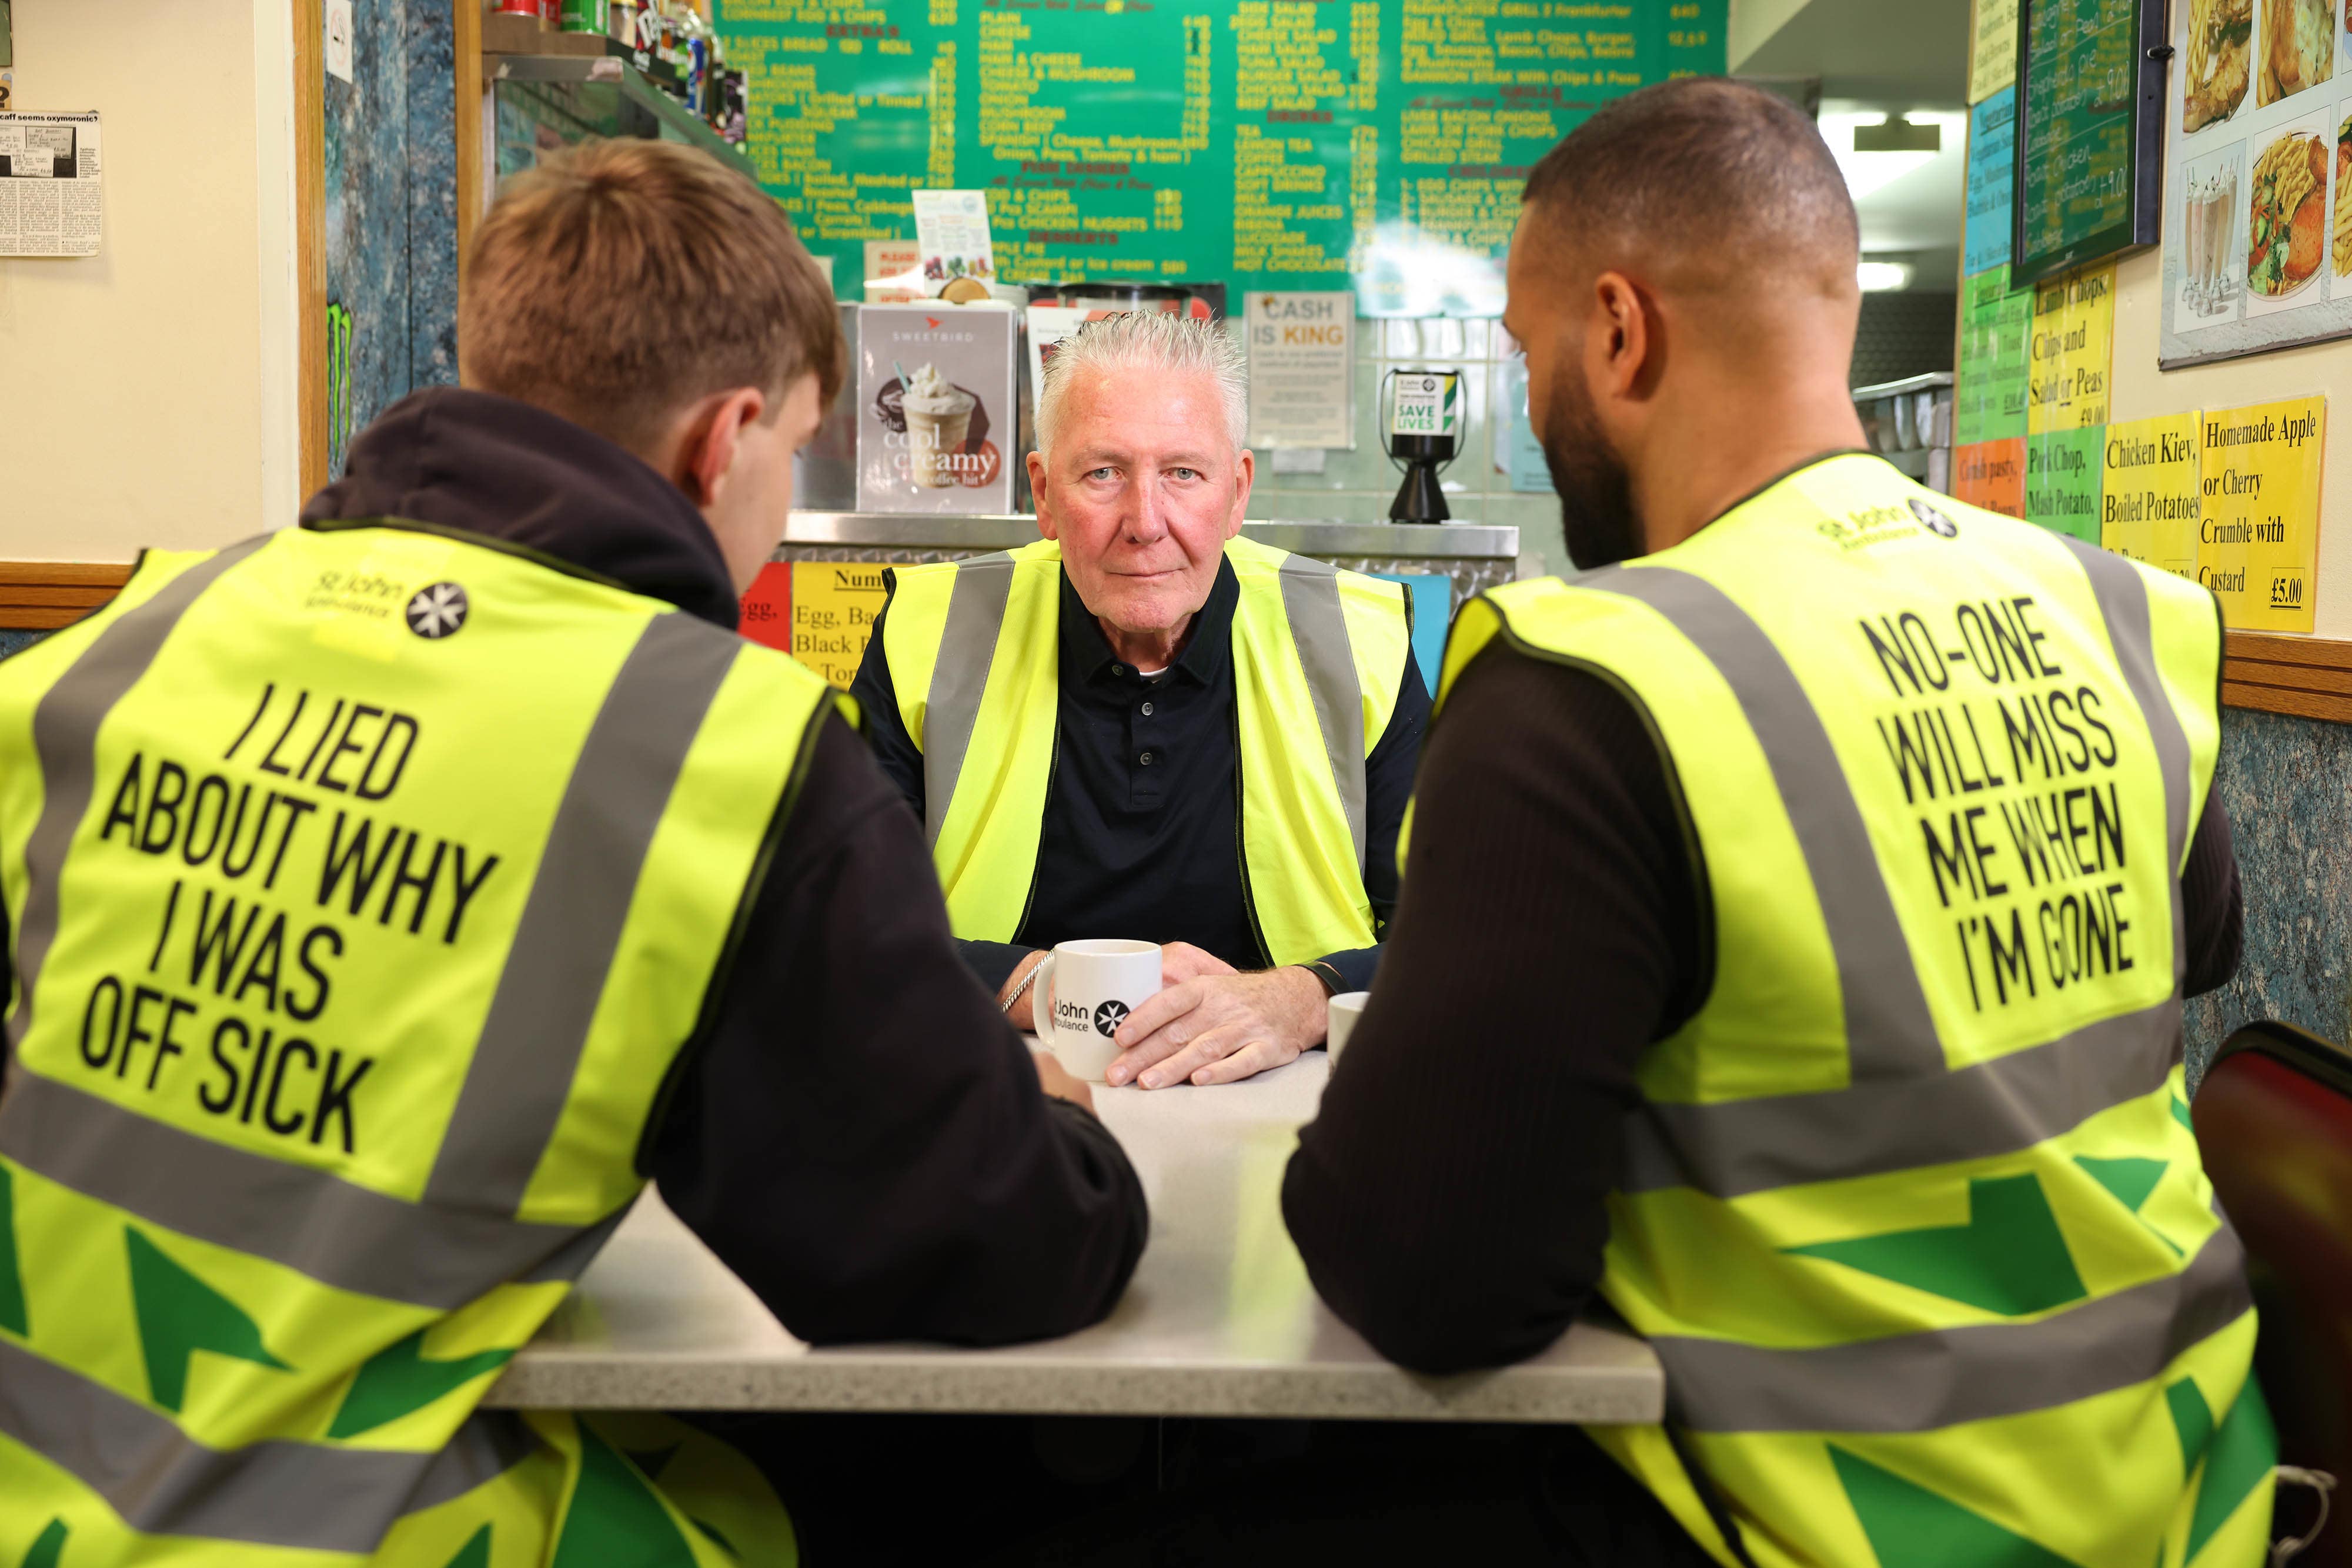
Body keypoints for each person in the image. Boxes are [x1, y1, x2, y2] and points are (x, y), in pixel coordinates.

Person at [0, 139, 1144, 1566]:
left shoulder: (127, 642)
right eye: (791, 446)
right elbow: (991, 1245)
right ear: (722, 441)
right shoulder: (716, 749)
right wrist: (1064, 1116)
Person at [1283, 79, 2271, 1567]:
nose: (1535, 405)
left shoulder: (1588, 679)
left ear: (1618, 333)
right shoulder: (2117, 606)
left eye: (1527, 354)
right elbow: (2176, 956)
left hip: (1839, 1521)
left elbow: (1437, 1284)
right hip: (2195, 1491)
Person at [848, 312, 1429, 1089]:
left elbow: (1456, 936)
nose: (1145, 522)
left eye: (1184, 474)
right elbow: (840, 921)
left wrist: (1302, 998)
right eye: (1103, 474)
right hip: (995, 1095)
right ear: (1044, 494)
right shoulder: (928, 632)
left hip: (1291, 1104)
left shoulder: (1357, 641)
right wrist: (1052, 990)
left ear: (1237, 494)